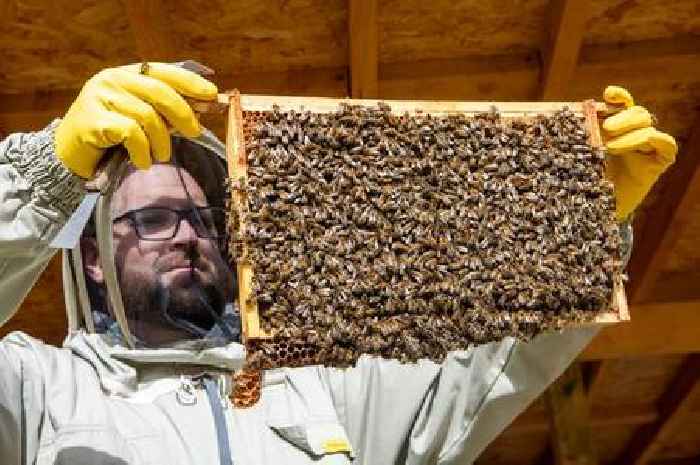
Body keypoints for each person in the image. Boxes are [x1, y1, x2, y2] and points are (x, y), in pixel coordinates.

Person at [0, 63, 677, 465]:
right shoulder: (37, 389)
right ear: (92, 256)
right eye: (152, 219)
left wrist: (582, 223)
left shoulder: (321, 386)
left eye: (203, 219)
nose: (185, 236)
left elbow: (488, 364)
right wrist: (43, 177)